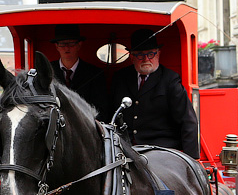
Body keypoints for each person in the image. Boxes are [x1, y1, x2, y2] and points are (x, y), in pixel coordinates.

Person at [109, 28, 199, 159]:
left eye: (150, 54)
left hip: (161, 151)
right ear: (132, 57)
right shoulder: (120, 78)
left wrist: (192, 160)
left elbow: (188, 121)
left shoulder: (170, 80)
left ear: (158, 54)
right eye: (140, 54)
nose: (146, 59)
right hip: (124, 149)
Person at [49, 24, 109, 119]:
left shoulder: (95, 73)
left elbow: (101, 110)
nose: (67, 48)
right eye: (62, 44)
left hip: (84, 128)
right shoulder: (47, 71)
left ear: (79, 45)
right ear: (56, 46)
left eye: (71, 43)